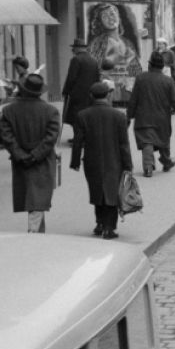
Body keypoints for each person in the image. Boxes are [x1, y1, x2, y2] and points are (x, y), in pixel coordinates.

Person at [72, 80, 134, 240]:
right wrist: (128, 165)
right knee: (112, 193)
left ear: (91, 96)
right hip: (115, 160)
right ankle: (109, 227)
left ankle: (99, 223)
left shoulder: (82, 115)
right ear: (108, 95)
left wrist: (75, 161)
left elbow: (78, 141)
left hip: (92, 160)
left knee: (97, 191)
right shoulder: (119, 116)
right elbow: (123, 144)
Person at [0, 73, 61, 233]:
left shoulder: (8, 111)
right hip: (43, 160)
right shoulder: (51, 111)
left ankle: (37, 231)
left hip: (20, 161)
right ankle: (34, 234)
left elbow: (7, 137)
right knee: (38, 198)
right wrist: (35, 155)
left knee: (31, 197)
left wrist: (21, 155)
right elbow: (51, 138)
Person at [126, 56, 175, 176]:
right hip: (162, 118)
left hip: (143, 117)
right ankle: (166, 161)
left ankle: (148, 167)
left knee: (147, 141)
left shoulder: (140, 78)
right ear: (162, 67)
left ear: (150, 65)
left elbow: (133, 99)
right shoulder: (168, 81)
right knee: (163, 140)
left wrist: (129, 116)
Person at [61, 38, 102, 140]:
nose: (72, 50)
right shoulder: (93, 60)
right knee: (87, 117)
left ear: (77, 48)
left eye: (73, 48)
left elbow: (71, 78)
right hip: (90, 95)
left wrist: (66, 91)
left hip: (77, 95)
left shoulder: (76, 60)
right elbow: (97, 78)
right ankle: (85, 137)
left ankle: (79, 138)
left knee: (75, 117)